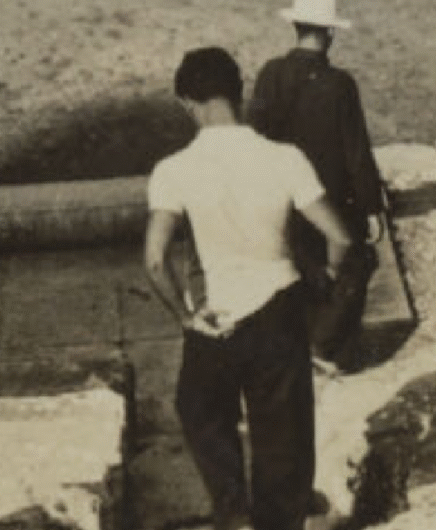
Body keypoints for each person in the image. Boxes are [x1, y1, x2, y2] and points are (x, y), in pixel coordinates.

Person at [145, 47, 354, 530]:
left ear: (187, 103)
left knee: (199, 412)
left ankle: (233, 512)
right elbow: (339, 237)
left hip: (216, 316)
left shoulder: (173, 170)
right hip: (278, 309)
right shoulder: (284, 158)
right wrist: (323, 285)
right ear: (238, 94)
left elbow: (155, 260)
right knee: (284, 444)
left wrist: (185, 315)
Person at [248, 0, 388, 374]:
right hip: (332, 202)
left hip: (284, 202)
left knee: (299, 268)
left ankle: (302, 344)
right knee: (355, 263)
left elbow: (257, 137)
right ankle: (327, 346)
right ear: (329, 33)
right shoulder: (340, 85)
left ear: (296, 28)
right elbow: (356, 151)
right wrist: (372, 206)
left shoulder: (270, 75)